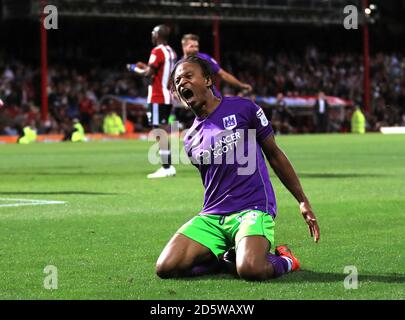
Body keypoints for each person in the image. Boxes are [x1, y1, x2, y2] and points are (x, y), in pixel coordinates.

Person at [156, 56, 320, 281]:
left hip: (252, 209)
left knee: (250, 269)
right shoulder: (190, 138)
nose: (181, 82)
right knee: (166, 268)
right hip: (212, 216)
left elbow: (274, 154)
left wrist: (302, 200)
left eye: (188, 76)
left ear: (207, 80)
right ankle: (223, 259)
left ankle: (285, 260)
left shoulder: (244, 108)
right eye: (177, 81)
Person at [127, 24, 177, 178]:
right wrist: (146, 67)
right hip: (167, 95)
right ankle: (167, 166)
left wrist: (134, 68)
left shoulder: (156, 51)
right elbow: (158, 70)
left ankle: (167, 167)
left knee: (159, 130)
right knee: (160, 130)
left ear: (157, 35)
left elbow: (149, 73)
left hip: (157, 95)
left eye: (153, 33)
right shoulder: (171, 51)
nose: (152, 36)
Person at [181, 34, 252, 95]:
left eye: (197, 46)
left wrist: (241, 85)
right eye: (192, 46)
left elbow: (223, 74)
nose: (196, 49)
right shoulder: (178, 65)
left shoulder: (205, 59)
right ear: (184, 47)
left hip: (210, 99)